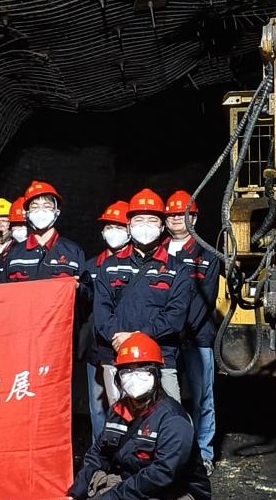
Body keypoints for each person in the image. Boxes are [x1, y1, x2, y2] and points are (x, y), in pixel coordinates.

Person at [62, 333, 212, 500]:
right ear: (118, 377)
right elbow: (99, 454)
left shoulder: (173, 419)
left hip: (185, 494)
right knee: (95, 493)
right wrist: (77, 491)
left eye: (143, 369)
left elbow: (162, 474)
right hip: (140, 482)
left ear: (156, 374)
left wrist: (116, 499)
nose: (134, 376)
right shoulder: (119, 411)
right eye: (127, 371)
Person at [92, 188, 193, 403]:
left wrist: (137, 337)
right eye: (139, 220)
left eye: (152, 220)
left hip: (161, 358)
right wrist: (119, 339)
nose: (145, 226)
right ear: (129, 225)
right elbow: (102, 311)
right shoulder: (109, 266)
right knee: (121, 417)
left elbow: (175, 316)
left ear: (162, 226)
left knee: (171, 416)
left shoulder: (177, 269)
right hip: (117, 357)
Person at [163, 190, 222, 471]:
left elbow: (206, 299)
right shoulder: (157, 252)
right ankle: (170, 452)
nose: (177, 219)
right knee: (165, 400)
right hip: (165, 339)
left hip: (197, 338)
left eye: (182, 214)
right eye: (172, 215)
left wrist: (184, 330)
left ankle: (203, 454)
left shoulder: (207, 255)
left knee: (202, 398)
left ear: (194, 218)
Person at [85, 200, 131, 438]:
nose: (114, 232)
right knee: (97, 405)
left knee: (127, 404)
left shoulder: (136, 266)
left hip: (124, 344)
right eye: (109, 227)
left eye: (119, 227)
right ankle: (98, 452)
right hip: (95, 347)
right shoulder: (90, 266)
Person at [0, 181, 87, 287]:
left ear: (56, 212)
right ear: (27, 214)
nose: (40, 211)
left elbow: (88, 291)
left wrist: (79, 288)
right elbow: (2, 291)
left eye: (47, 206)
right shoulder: (15, 254)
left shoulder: (73, 251)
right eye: (34, 206)